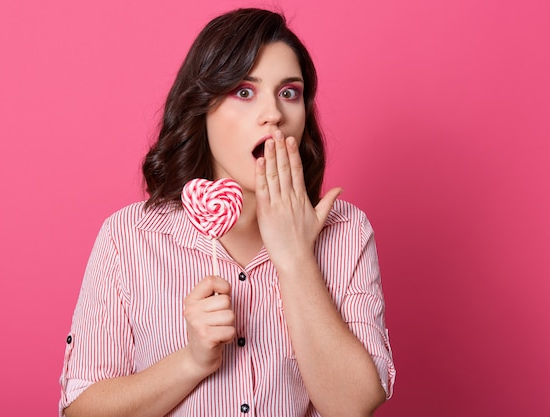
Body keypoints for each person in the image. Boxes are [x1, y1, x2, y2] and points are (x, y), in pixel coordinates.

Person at [59, 8, 395, 417]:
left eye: (289, 92)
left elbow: (353, 406)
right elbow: (81, 411)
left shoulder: (345, 232)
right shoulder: (129, 237)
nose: (274, 113)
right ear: (203, 107)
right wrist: (191, 361)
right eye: (244, 91)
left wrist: (293, 258)